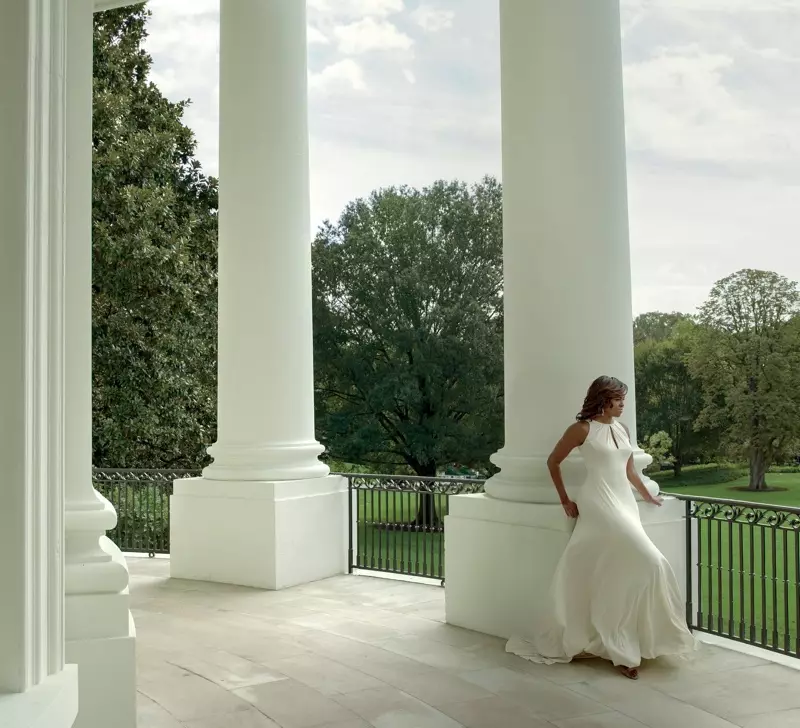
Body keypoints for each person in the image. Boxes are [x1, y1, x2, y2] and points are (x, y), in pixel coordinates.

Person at [506, 376, 697, 679]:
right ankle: (620, 648)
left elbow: (629, 469)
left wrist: (647, 495)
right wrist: (565, 500)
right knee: (652, 560)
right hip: (598, 503)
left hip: (624, 504)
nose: (623, 404)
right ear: (603, 399)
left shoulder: (622, 429)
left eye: (623, 399)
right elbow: (553, 462)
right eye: (618, 399)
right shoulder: (582, 429)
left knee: (619, 572)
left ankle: (624, 642)